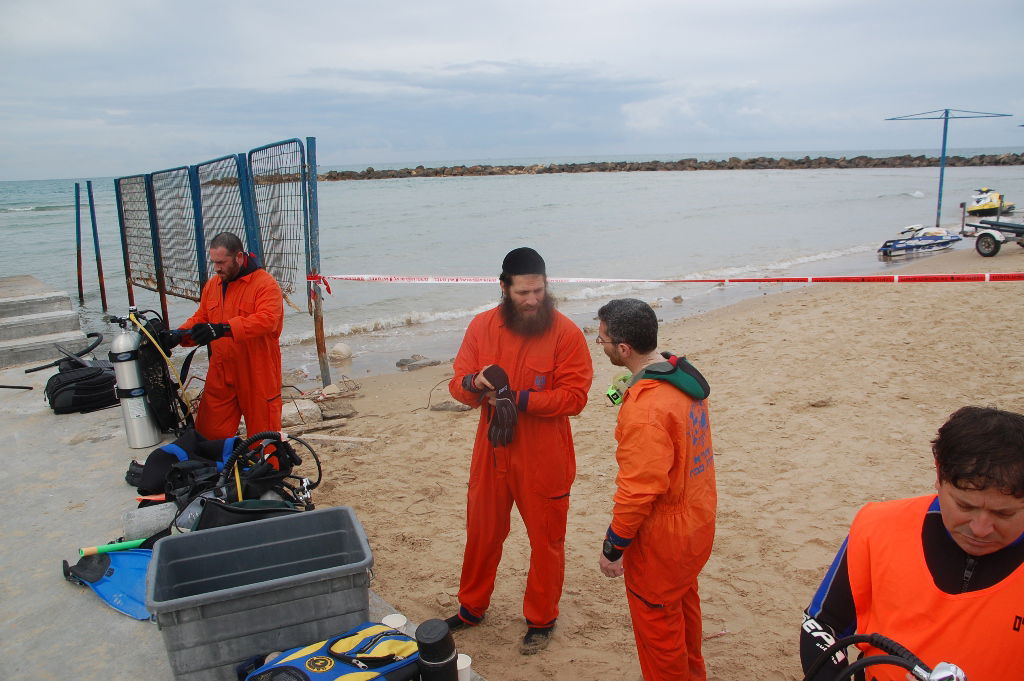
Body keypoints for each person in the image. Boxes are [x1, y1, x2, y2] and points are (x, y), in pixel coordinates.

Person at [801, 406, 1024, 681]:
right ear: (938, 471)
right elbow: (822, 624)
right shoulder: (878, 526)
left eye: (1004, 514)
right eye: (964, 506)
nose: (980, 529)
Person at [445, 247, 593, 655]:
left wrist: (519, 399)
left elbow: (575, 397)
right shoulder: (481, 327)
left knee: (546, 540)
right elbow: (457, 384)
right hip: (492, 451)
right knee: (482, 532)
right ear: (503, 287)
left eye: (539, 291)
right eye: (523, 292)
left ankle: (542, 618)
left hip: (545, 456)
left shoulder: (566, 333)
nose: (532, 300)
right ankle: (471, 608)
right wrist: (475, 383)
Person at [596, 298, 716, 681]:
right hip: (697, 518)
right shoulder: (676, 377)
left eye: (603, 341)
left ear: (624, 348)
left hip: (665, 537)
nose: (601, 346)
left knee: (659, 631)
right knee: (684, 607)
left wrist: (615, 545)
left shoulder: (647, 408)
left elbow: (639, 490)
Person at [162, 232, 284, 440]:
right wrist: (179, 335)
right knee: (208, 435)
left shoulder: (265, 284)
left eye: (221, 262)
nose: (217, 268)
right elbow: (201, 317)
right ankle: (217, 470)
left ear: (238, 257)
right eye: (214, 262)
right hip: (221, 370)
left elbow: (268, 320)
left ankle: (269, 470)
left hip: (257, 370)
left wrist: (223, 329)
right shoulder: (213, 285)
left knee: (264, 438)